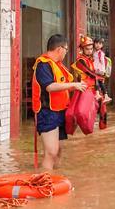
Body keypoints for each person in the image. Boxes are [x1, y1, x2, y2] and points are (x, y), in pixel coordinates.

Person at [31, 34, 87, 171]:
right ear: (59, 49)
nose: (66, 53)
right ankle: (45, 184)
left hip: (61, 112)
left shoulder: (59, 66)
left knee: (59, 151)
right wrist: (73, 85)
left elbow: (66, 87)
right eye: (66, 49)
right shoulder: (43, 65)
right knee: (51, 152)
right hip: (47, 112)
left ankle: (55, 180)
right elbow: (49, 87)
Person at [71, 35, 108, 130]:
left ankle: (102, 127)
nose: (90, 51)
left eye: (91, 49)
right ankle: (83, 127)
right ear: (82, 49)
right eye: (87, 49)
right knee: (80, 112)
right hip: (85, 89)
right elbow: (90, 73)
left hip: (94, 88)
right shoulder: (80, 61)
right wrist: (100, 76)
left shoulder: (92, 59)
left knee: (103, 107)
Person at [93, 38, 113, 104]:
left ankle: (98, 94)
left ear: (102, 45)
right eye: (96, 43)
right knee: (101, 83)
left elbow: (103, 63)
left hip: (98, 71)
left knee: (97, 81)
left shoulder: (100, 53)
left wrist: (103, 71)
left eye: (100, 43)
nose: (98, 45)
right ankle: (105, 96)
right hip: (97, 70)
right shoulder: (95, 52)